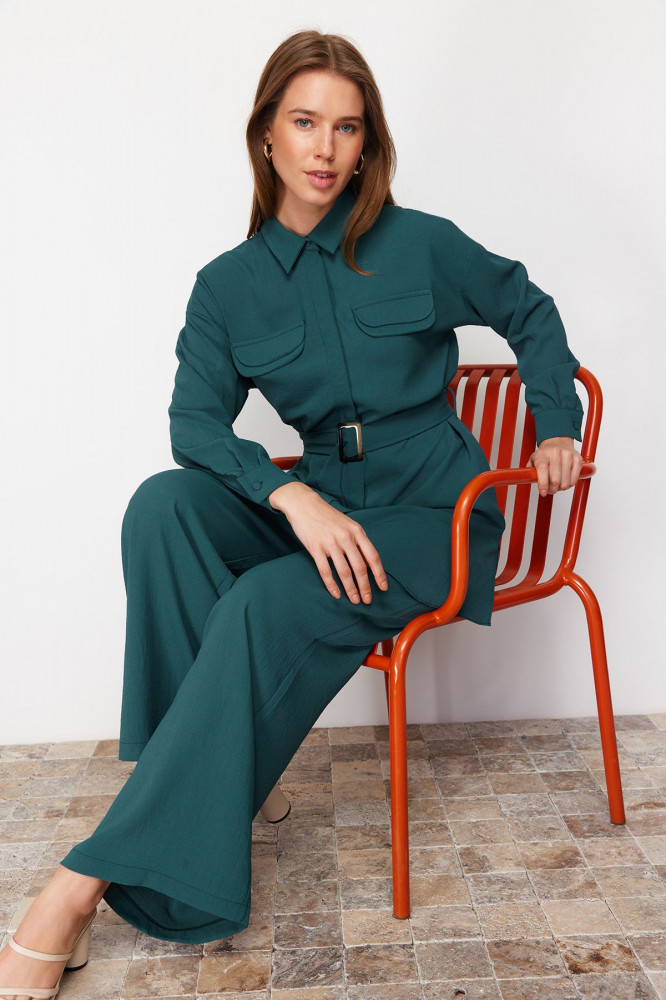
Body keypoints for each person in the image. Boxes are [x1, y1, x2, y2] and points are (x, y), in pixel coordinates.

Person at [0, 27, 585, 997]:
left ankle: (78, 886)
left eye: (346, 127)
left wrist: (555, 422)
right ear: (265, 135)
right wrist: (289, 492)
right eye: (305, 122)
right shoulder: (226, 288)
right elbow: (194, 422)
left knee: (265, 599)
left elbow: (529, 309)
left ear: (367, 143)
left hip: (437, 515)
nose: (325, 148)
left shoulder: (419, 243)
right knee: (164, 508)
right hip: (326, 501)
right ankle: (216, 787)